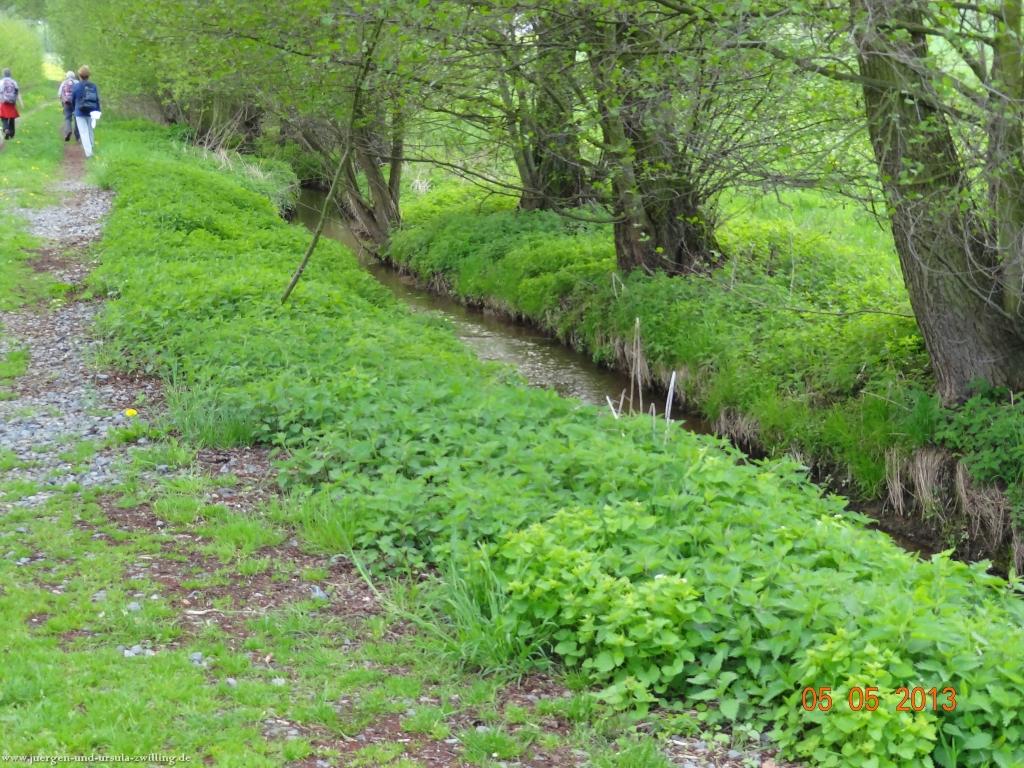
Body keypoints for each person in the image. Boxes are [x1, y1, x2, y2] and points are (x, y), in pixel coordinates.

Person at [70, 65, 101, 158]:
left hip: (79, 112)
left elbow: (73, 99)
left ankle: (89, 153)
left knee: (83, 132)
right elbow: (97, 99)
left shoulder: (76, 86)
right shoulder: (93, 86)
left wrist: (73, 109)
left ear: (79, 75)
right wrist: (98, 110)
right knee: (90, 130)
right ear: (89, 75)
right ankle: (91, 147)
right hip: (91, 111)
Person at [0, 68, 24, 141]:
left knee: (3, 117)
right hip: (12, 103)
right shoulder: (14, 82)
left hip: (3, 102)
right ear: (10, 74)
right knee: (11, 118)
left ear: (3, 74)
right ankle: (12, 134)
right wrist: (21, 103)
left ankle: (6, 129)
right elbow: (17, 93)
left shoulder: (1, 82)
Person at [57, 70, 79, 142]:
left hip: (67, 103)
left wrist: (62, 102)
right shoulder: (77, 82)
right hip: (76, 103)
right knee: (77, 119)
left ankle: (68, 131)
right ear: (74, 76)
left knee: (67, 118)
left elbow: (59, 94)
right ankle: (77, 136)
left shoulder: (64, 83)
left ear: (66, 76)